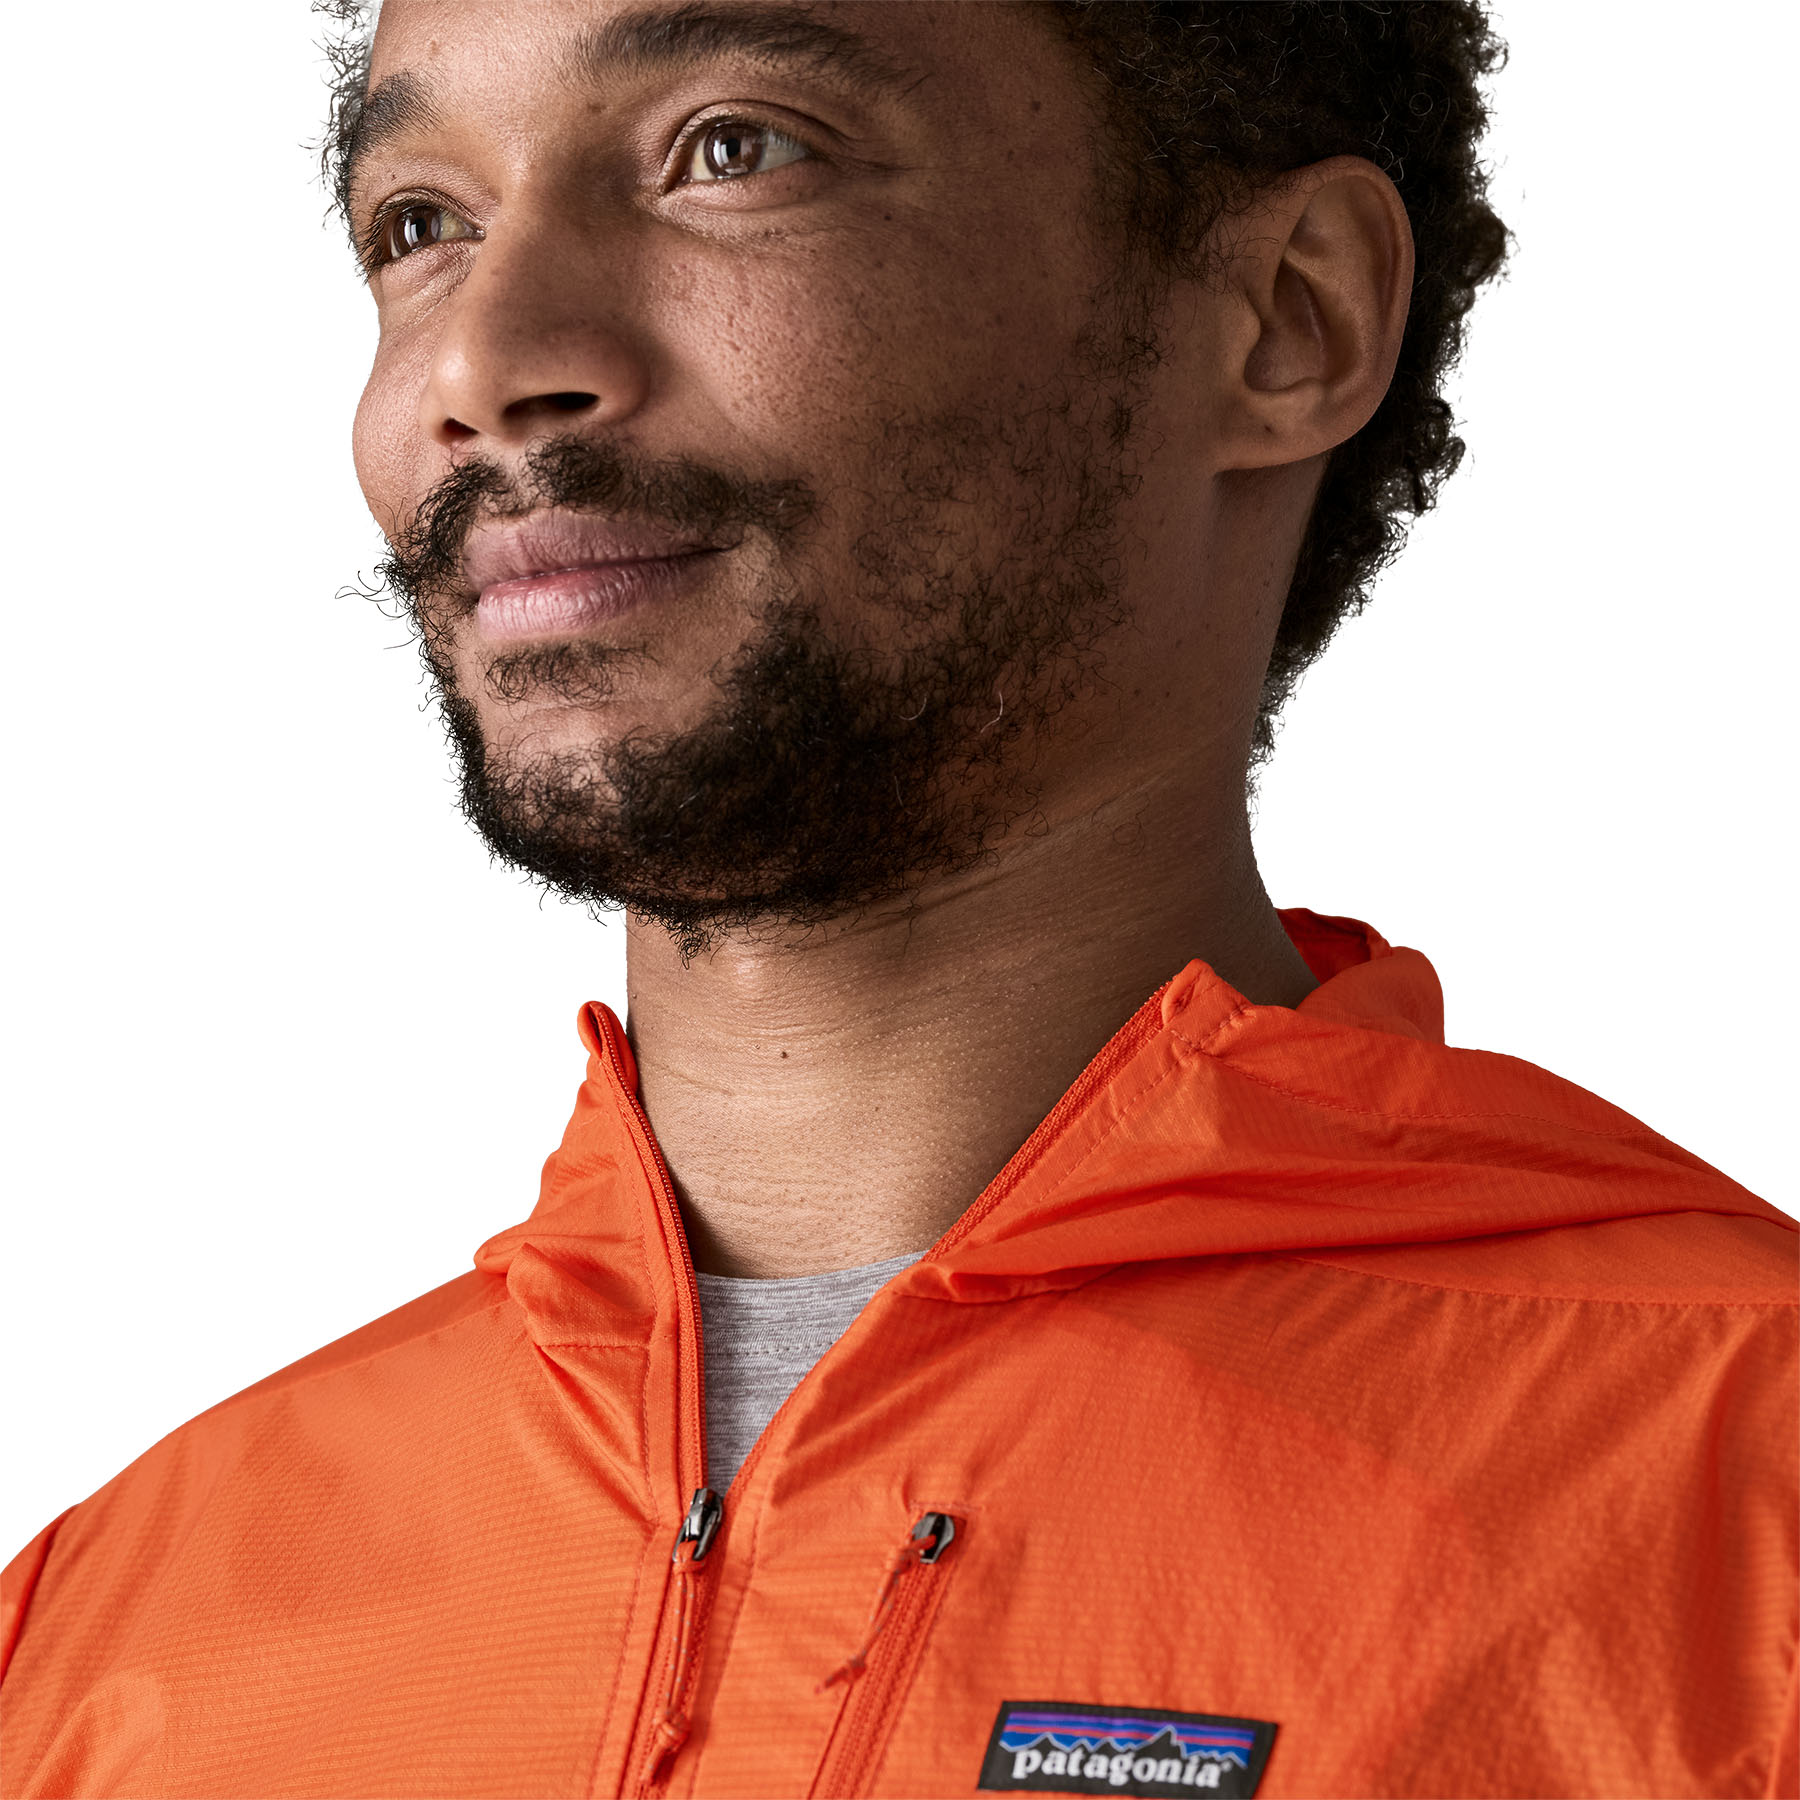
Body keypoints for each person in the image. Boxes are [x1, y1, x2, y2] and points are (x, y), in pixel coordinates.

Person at [2, 2, 1793, 1796]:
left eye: (732, 150)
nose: (482, 357)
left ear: (1285, 315)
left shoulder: (1742, 1515)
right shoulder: (100, 1646)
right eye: (421, 223)